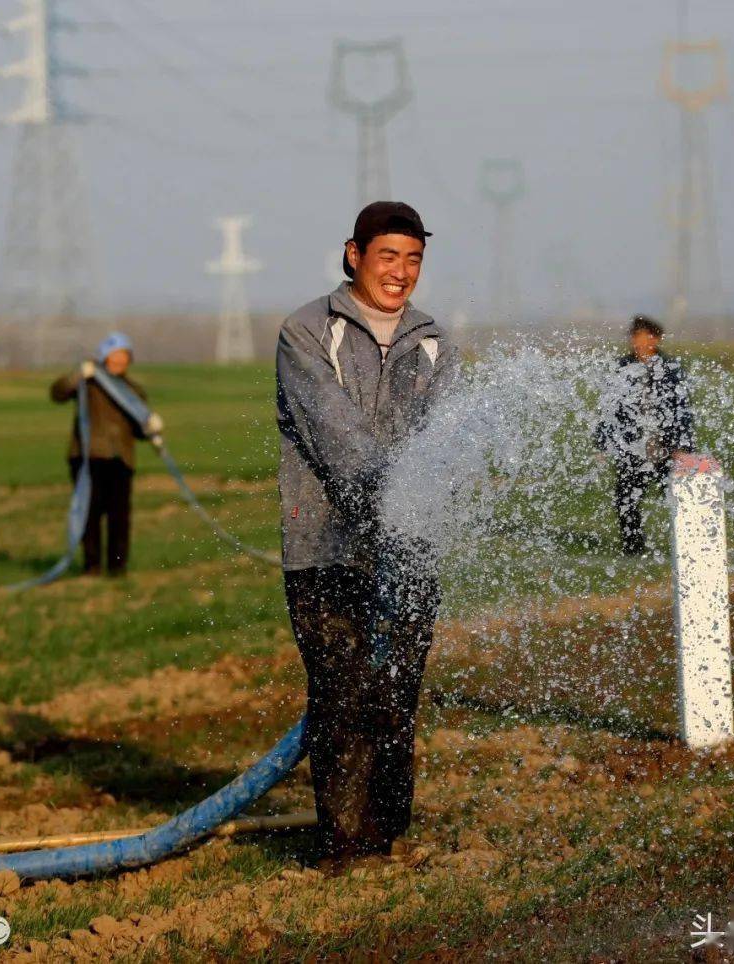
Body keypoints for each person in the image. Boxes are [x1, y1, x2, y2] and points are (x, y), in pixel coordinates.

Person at [275, 201, 460, 866]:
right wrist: (394, 493)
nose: (402, 271)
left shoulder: (436, 343)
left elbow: (443, 438)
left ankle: (387, 835)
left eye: (413, 259)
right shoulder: (305, 332)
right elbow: (336, 436)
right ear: (354, 255)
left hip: (409, 549)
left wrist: (429, 497)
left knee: (396, 692)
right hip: (323, 548)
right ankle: (341, 843)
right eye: (389, 256)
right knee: (340, 691)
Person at [49, 332, 162, 576]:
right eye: (115, 356)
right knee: (90, 513)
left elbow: (138, 428)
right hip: (88, 458)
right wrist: (79, 375)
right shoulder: (89, 381)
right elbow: (57, 393)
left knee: (119, 515)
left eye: (124, 357)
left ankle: (118, 567)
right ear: (104, 357)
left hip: (121, 459)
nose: (119, 361)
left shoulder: (133, 391)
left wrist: (151, 427)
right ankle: (92, 566)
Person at [594, 315, 697, 555]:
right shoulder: (621, 368)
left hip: (665, 445)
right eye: (635, 337)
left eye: (644, 337)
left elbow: (681, 408)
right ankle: (633, 547)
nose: (639, 342)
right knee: (626, 499)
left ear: (656, 338)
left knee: (676, 496)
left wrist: (682, 446)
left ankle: (687, 545)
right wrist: (602, 443)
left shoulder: (670, 369)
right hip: (632, 446)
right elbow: (609, 408)